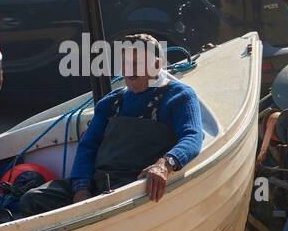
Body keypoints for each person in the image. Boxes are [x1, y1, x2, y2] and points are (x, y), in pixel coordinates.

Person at [18, 35, 204, 214]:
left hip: (135, 184)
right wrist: (81, 188)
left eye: (137, 63)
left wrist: (165, 164)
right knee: (32, 199)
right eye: (125, 63)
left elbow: (192, 136)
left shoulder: (179, 96)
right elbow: (87, 147)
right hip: (98, 184)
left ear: (156, 65)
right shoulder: (110, 102)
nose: (130, 70)